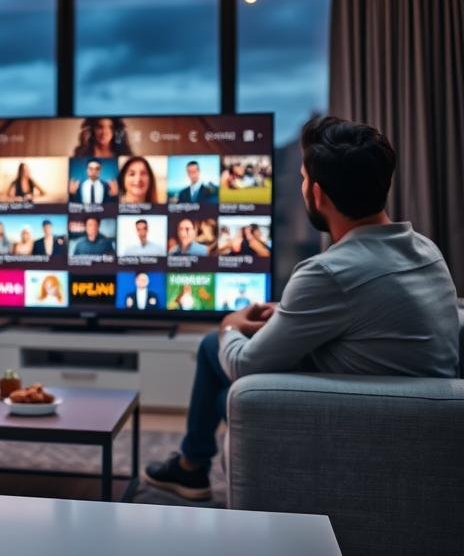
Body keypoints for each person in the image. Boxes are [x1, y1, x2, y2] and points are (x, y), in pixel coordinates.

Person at [145, 116, 460, 501]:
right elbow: (368, 309)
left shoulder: (327, 272)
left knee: (216, 347)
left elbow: (245, 365)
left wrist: (230, 324)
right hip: (413, 422)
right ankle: (191, 465)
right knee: (217, 374)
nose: (302, 186)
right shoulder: (426, 250)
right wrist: (289, 311)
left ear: (317, 194)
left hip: (350, 428)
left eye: (303, 178)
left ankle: (191, 466)